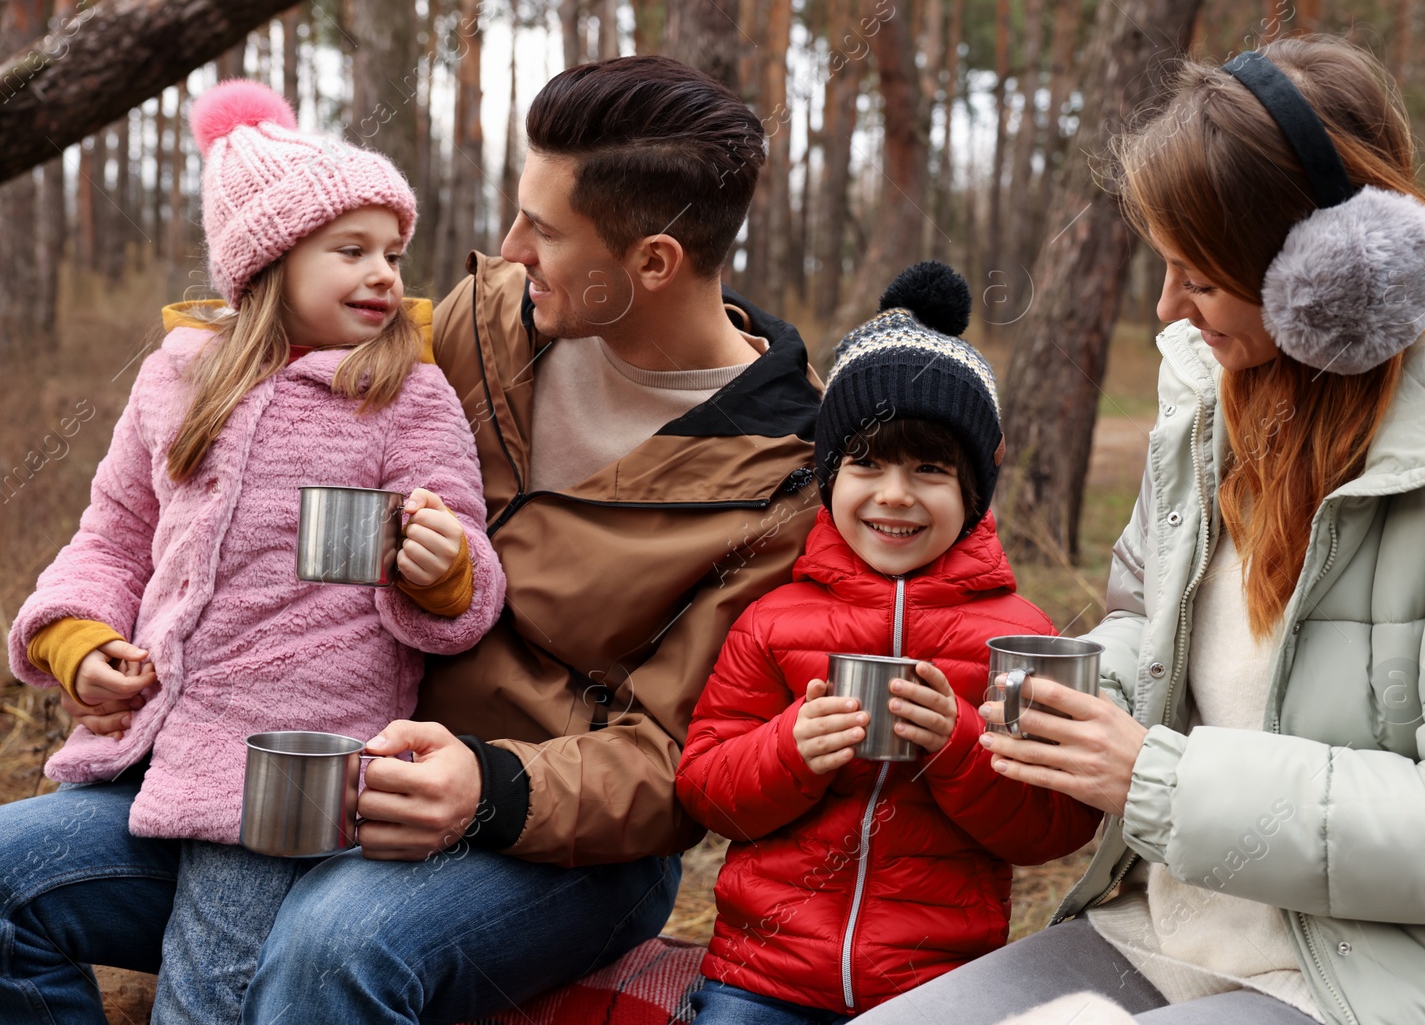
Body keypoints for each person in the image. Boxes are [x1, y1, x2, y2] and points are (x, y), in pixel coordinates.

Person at [1, 56, 823, 1023]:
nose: (507, 247)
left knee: (331, 947)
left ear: (651, 262)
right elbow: (248, 409)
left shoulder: (780, 480)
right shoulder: (476, 330)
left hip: (544, 839)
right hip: (303, 768)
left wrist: (489, 787)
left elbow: (684, 761)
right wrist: (117, 647)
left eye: (545, 230)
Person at [856, 35, 1425, 1025]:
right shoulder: (1211, 409)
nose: (1167, 309)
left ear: (1334, 275)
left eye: (1197, 277)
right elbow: (1144, 617)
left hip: (1381, 977)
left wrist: (1157, 778)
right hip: (1163, 927)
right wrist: (1073, 695)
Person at [1, 81, 507, 1024]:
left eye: (393, 252)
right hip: (149, 759)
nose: (385, 275)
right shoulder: (176, 380)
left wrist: (444, 571)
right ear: (268, 262)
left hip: (285, 782)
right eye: (350, 251)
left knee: (208, 997)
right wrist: (77, 641)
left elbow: (472, 570)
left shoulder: (407, 391)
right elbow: (109, 536)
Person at [677, 262, 1102, 1023]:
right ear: (829, 472)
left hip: (941, 987)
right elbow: (707, 789)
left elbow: (1055, 825)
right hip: (763, 975)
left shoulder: (1020, 637)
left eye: (931, 469)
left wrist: (961, 746)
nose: (896, 494)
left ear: (975, 488)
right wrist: (789, 749)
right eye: (866, 463)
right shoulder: (774, 619)